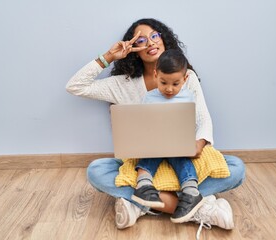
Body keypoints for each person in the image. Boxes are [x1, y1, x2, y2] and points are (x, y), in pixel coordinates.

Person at [66, 18, 245, 231]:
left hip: (183, 158)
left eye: (154, 36)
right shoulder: (122, 84)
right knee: (96, 171)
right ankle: (197, 208)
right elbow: (75, 86)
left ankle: (142, 205)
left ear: (163, 39)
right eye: (142, 40)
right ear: (134, 49)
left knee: (236, 168)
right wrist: (109, 57)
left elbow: (203, 118)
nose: (150, 43)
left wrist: (199, 144)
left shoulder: (187, 77)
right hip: (144, 164)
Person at [132, 49, 204, 223]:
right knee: (149, 154)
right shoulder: (149, 98)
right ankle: (144, 186)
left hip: (178, 143)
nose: (169, 89)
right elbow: (143, 123)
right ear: (156, 75)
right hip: (155, 143)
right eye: (163, 82)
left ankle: (191, 192)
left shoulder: (189, 96)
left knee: (181, 158)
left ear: (185, 80)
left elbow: (193, 123)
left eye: (176, 84)